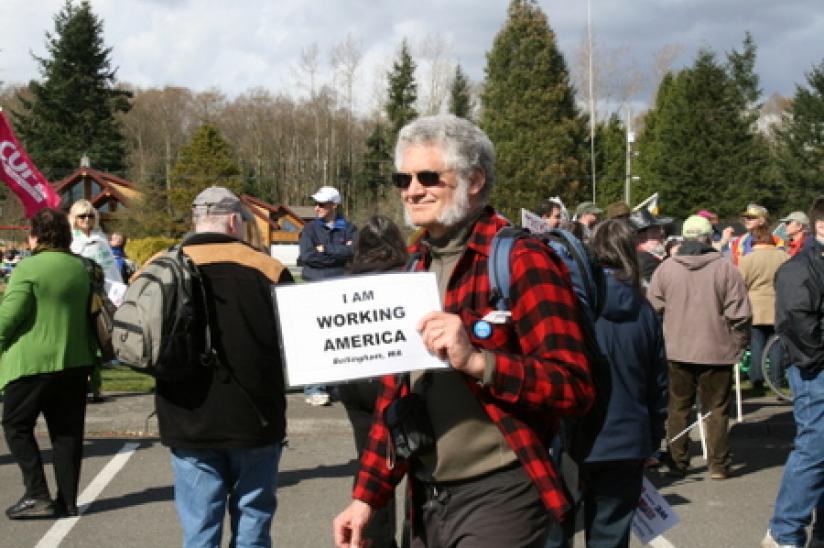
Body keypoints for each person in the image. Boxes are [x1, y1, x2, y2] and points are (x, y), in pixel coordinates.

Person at [332, 115, 594, 548]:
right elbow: (393, 399)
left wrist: (478, 361)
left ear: (474, 181)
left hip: (503, 491)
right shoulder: (414, 264)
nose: (412, 190)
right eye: (404, 177)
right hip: (427, 495)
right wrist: (365, 499)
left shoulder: (522, 259)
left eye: (429, 177)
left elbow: (573, 387)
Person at [155, 186, 292, 548]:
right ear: (235, 221)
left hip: (186, 418)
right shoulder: (269, 270)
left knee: (199, 531)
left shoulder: (161, 267)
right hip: (256, 419)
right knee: (253, 528)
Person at [547, 219, 667, 548]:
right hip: (626, 439)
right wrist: (653, 437)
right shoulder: (644, 312)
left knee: (556, 531)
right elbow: (658, 385)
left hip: (575, 436)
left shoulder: (570, 306)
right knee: (610, 536)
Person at [1, 208, 97, 519]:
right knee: (67, 434)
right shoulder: (82, 267)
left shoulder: (28, 269)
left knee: (16, 426)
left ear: (35, 236)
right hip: (76, 360)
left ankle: (36, 492)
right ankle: (67, 501)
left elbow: (10, 317)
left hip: (32, 363)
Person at [647, 214, 751, 480]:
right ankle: (717, 465)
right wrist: (738, 344)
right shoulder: (725, 268)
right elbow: (740, 314)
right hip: (717, 351)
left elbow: (652, 309)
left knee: (678, 408)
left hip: (677, 350)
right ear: (708, 238)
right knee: (716, 410)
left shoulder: (667, 268)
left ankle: (677, 461)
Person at [337, 215, 408, 548]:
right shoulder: (408, 279)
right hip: (395, 379)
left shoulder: (345, 283)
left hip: (354, 380)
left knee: (369, 459)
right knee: (413, 460)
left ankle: (377, 540)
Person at [761, 197, 824, 548]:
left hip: (815, 364)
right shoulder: (800, 268)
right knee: (815, 449)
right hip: (816, 371)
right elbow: (799, 327)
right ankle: (784, 532)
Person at [298, 185, 358, 406]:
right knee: (315, 339)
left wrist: (326, 250)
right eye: (316, 204)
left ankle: (335, 387)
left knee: (339, 339)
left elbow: (355, 253)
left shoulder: (350, 229)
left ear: (334, 205)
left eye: (321, 204)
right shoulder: (310, 230)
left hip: (340, 290)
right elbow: (307, 257)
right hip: (314, 288)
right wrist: (339, 254)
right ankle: (314, 387)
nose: (316, 208)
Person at [68, 199, 122, 403]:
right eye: (82, 216)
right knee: (82, 342)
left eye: (90, 215)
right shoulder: (71, 241)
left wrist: (117, 291)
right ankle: (82, 383)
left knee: (100, 338)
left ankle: (96, 385)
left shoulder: (101, 239)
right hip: (80, 297)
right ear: (74, 218)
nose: (86, 220)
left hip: (101, 297)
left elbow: (111, 269)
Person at [737, 226, 790, 395]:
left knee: (757, 344)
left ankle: (757, 379)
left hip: (755, 306)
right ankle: (776, 379)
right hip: (778, 305)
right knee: (776, 346)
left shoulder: (747, 259)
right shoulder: (784, 257)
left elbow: (740, 284)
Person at [628, 209, 672, 287]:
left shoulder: (639, 256)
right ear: (642, 236)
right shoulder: (647, 262)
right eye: (655, 230)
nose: (661, 233)